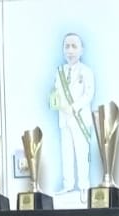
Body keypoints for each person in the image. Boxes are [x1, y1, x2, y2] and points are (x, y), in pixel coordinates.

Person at [49, 32, 94, 195]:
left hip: (79, 119)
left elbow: (88, 94)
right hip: (64, 119)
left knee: (82, 152)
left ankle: (84, 186)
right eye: (67, 46)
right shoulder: (59, 71)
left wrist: (73, 107)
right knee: (66, 153)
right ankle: (68, 185)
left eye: (74, 46)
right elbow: (56, 92)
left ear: (81, 50)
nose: (70, 50)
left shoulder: (86, 71)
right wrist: (56, 102)